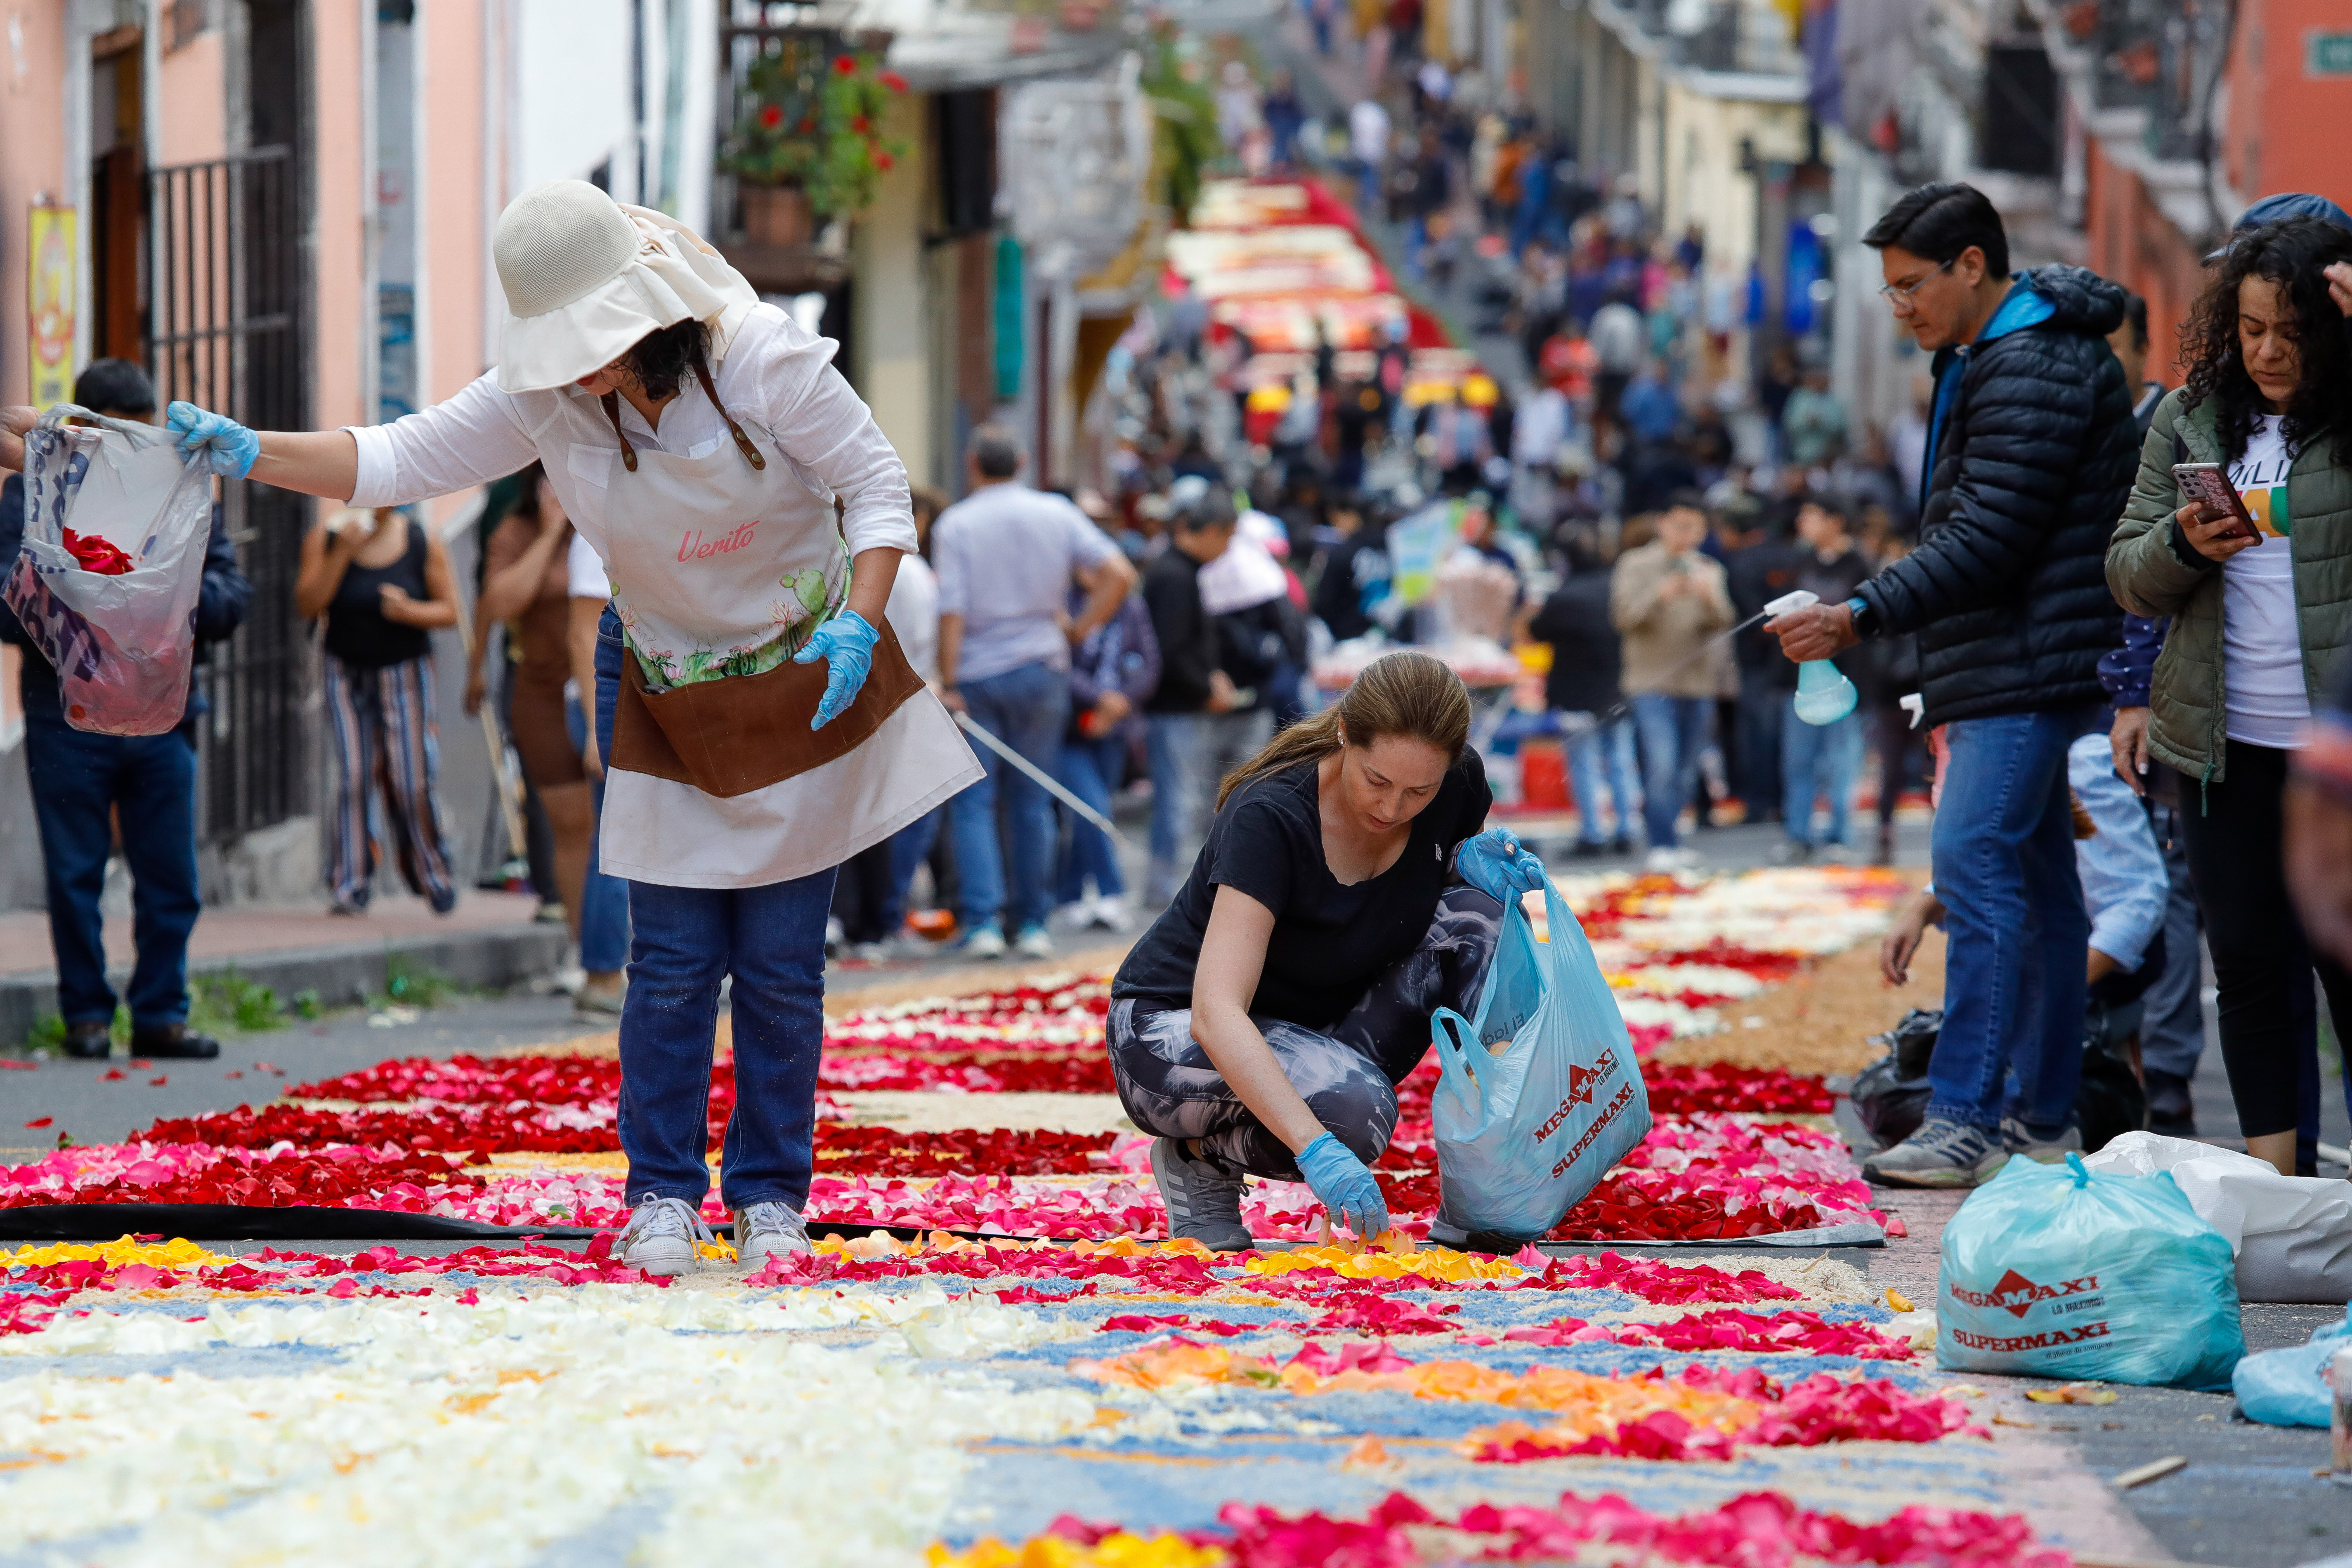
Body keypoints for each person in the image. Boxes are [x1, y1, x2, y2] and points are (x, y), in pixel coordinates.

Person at [25, 181, 985, 1275]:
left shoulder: (764, 358)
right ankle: (661, 1192)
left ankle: (770, 1197)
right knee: (667, 958)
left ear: (655, 317)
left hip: (803, 667)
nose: (583, 368)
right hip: (662, 674)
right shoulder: (543, 400)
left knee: (776, 962)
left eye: (603, 344)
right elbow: (394, 459)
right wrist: (253, 448)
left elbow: (874, 492)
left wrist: (859, 622)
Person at [1769, 181, 2137, 1186]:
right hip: (2023, 652)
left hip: (2020, 660)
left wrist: (1859, 613)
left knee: (1976, 871)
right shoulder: (1996, 353)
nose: (1902, 309)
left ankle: (1968, 1116)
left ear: (1971, 265)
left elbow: (1989, 534)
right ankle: (2044, 1115)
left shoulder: (2031, 363)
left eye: (1908, 287)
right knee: (2044, 889)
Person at [1108, 652, 1545, 1249]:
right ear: (1344, 735)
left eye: (1419, 791)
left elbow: (1431, 900)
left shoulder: (1457, 786)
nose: (1392, 810)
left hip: (1310, 1022)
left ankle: (1489, 1182)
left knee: (1482, 916)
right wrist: (1316, 1148)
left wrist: (1462, 863)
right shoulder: (1272, 815)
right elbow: (1217, 1012)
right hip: (1173, 1033)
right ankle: (1199, 1158)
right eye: (1377, 781)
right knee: (1351, 1114)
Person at [2106, 214, 2352, 1178]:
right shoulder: (2194, 416)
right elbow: (2126, 569)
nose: (2266, 350)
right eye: (2250, 328)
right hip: (2221, 744)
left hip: (2332, 752)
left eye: (2290, 330)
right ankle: (2280, 1187)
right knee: (2249, 970)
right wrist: (2179, 547)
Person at [0, 359, 250, 1060]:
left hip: (163, 717)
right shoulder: (31, 494)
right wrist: (79, 601)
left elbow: (232, 589)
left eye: (142, 439)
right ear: (85, 429)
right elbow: (5, 600)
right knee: (73, 874)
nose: (136, 454)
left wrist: (177, 602)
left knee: (171, 876)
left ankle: (161, 1015)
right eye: (122, 438)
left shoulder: (180, 493)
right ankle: (84, 1017)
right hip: (65, 717)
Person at [932, 425, 1137, 959]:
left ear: (972, 463)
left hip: (976, 672)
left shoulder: (957, 523)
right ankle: (1032, 924)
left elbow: (950, 608)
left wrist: (949, 680)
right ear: (1023, 461)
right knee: (1033, 800)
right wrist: (1079, 629)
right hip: (1044, 669)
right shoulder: (1056, 513)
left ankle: (981, 923)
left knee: (974, 802)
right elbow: (1119, 572)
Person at [475, 463, 626, 1013]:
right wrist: (548, 533)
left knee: (597, 830)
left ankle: (602, 954)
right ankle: (587, 949)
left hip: (586, 691)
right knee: (575, 830)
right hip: (545, 693)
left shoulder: (604, 530)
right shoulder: (520, 534)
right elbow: (497, 605)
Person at [293, 503, 463, 916]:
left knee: (411, 778)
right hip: (345, 672)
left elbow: (451, 611)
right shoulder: (329, 537)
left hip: (404, 673)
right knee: (353, 776)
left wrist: (409, 611)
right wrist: (341, 555)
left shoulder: (421, 541)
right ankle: (350, 883)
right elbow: (307, 604)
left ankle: (432, 871)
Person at [1141, 483, 1262, 903]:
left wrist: (1212, 677)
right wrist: (1204, 685)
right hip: (1175, 707)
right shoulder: (1174, 574)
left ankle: (1168, 887)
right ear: (1210, 530)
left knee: (1182, 799)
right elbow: (1171, 649)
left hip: (1180, 704)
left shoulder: (1179, 570)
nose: (1227, 548)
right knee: (1178, 801)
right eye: (1227, 538)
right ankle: (1166, 890)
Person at [1611, 496, 1733, 870]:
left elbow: (1726, 620)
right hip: (1650, 682)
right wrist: (1658, 595)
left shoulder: (1708, 568)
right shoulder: (1635, 563)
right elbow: (1622, 617)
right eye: (1680, 526)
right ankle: (1660, 843)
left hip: (1698, 684)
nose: (1687, 535)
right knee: (1661, 764)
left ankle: (1674, 840)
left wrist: (1708, 598)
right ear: (1662, 525)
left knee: (1685, 769)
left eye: (1695, 528)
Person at [1056, 577, 1160, 933]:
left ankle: (1070, 894)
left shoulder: (1131, 605)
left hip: (1115, 726)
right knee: (1091, 807)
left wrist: (1118, 704)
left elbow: (1149, 663)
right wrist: (1099, 698)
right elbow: (1058, 663)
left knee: (1095, 809)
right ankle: (1112, 891)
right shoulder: (1063, 601)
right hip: (1068, 726)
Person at [1529, 536, 1636, 855]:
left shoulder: (1564, 597)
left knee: (1584, 763)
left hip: (1576, 693)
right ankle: (1627, 828)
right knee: (1621, 760)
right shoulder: (1615, 588)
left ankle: (1593, 833)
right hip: (1618, 688)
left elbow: (1537, 631)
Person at [1779, 494, 1871, 859]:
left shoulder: (1860, 563)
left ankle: (1839, 836)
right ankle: (1798, 835)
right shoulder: (1799, 562)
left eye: (1811, 516)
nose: (1803, 523)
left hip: (1846, 677)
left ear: (1835, 521)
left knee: (1840, 760)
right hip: (1800, 676)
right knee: (1798, 760)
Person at [1780, 365, 1849, 468]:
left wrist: (1822, 422)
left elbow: (1840, 427)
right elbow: (1789, 424)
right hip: (1802, 454)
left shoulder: (1834, 400)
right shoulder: (1799, 399)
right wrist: (1806, 422)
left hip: (1827, 457)